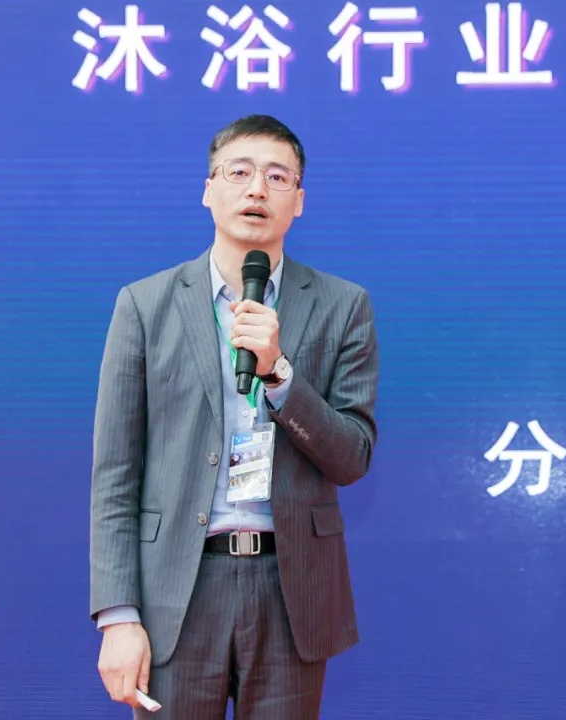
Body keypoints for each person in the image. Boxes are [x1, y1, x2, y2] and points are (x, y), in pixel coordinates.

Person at [89, 114, 379, 719]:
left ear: (298, 201)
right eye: (239, 172)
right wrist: (118, 616)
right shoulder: (144, 305)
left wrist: (280, 375)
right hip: (177, 589)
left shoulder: (342, 305)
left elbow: (352, 457)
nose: (256, 190)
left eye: (277, 177)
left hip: (290, 590)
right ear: (208, 189)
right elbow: (115, 473)